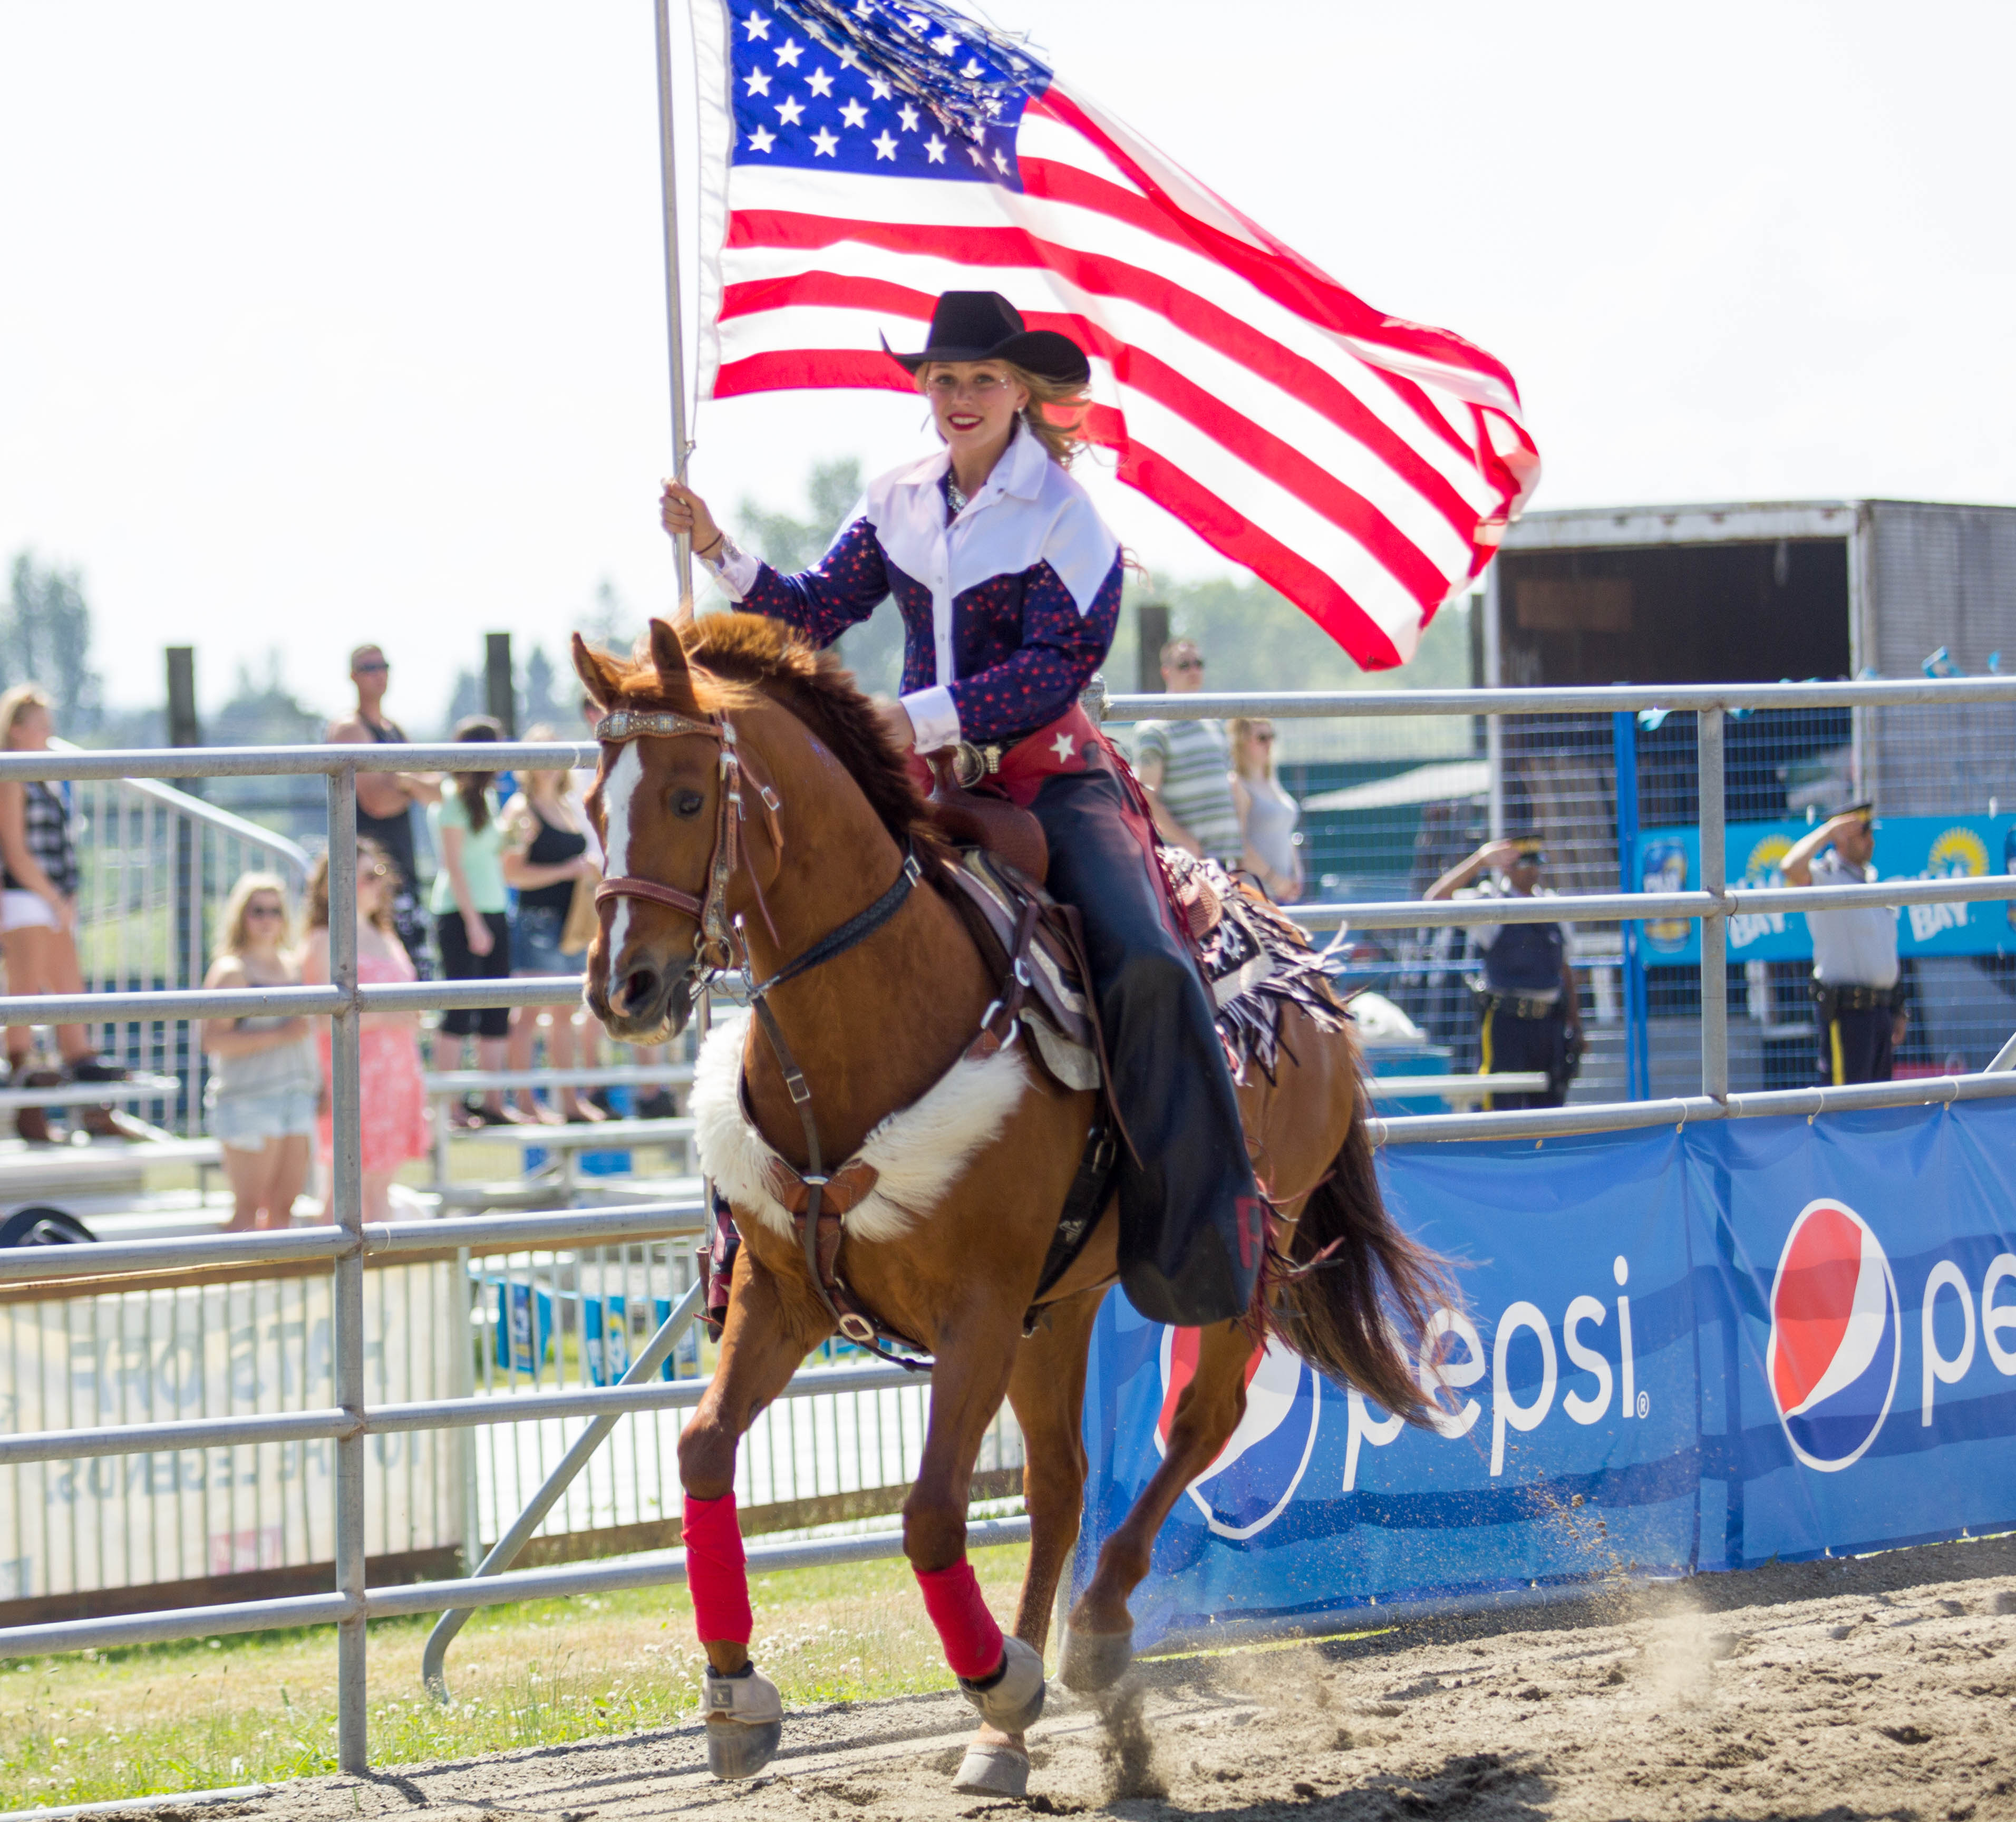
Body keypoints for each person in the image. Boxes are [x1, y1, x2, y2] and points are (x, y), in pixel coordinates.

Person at [660, 288, 1263, 1326]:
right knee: (782, 932)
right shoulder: (895, 495)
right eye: (943, 379)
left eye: (982, 378)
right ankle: (746, 1240)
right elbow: (811, 610)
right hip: (923, 783)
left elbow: (1052, 669)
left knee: (1148, 961)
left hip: (1045, 778)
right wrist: (717, 546)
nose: (961, 395)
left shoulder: (1070, 521)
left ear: (1023, 393)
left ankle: (1197, 1224)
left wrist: (917, 718)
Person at [0, 683, 128, 1141]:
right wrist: (54, 897)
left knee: (69, 997)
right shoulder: (12, 775)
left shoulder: (45, 776)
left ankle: (93, 1107)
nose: (49, 733)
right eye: (40, 725)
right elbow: (15, 850)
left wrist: (62, 897)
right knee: (28, 996)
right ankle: (28, 1106)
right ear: (16, 729)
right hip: (24, 898)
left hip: (49, 898)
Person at [301, 840, 429, 1223]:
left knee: (378, 1190)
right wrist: (389, 1016)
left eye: (379, 875)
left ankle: (374, 1280)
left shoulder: (386, 935)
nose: (379, 884)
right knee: (346, 1193)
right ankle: (333, 1279)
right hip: (353, 1075)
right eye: (367, 876)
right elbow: (320, 1020)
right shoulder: (324, 940)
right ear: (334, 885)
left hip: (396, 1073)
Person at [1426, 836, 1582, 1109]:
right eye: (1525, 864)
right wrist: (1480, 861)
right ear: (1507, 868)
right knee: (1501, 1111)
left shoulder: (1553, 906)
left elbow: (1565, 969)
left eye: (1536, 864)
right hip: (1508, 1026)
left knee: (1551, 1116)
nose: (1534, 870)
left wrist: (1576, 1026)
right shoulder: (1492, 904)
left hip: (1549, 1026)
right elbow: (1435, 900)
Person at [201, 873, 317, 1230]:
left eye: (275, 911)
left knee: (285, 1209)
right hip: (248, 1099)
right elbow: (212, 1041)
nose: (268, 919)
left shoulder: (294, 965)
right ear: (242, 916)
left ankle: (278, 1286)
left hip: (296, 1095)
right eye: (258, 911)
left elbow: (305, 1036)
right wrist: (280, 1034)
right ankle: (234, 1285)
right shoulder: (231, 970)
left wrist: (319, 1083)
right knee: (249, 1210)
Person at [500, 726, 602, 1122]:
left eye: (553, 756)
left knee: (565, 1014)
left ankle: (568, 1100)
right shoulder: (520, 811)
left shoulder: (568, 808)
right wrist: (567, 870)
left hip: (572, 924)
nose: (547, 767)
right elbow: (514, 874)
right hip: (538, 922)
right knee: (528, 1015)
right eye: (539, 757)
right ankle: (526, 1101)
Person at [325, 644, 439, 971]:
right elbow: (377, 802)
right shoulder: (349, 728)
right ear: (353, 676)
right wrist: (408, 783)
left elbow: (437, 790)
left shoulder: (394, 730)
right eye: (369, 667)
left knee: (414, 976)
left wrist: (400, 781)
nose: (378, 673)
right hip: (365, 876)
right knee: (374, 980)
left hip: (402, 869)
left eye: (383, 665)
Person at [1782, 801, 1904, 1085]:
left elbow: (1885, 952)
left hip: (1881, 1012)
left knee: (1879, 1108)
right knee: (1845, 1109)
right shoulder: (1825, 876)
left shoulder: (1872, 881)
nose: (1871, 841)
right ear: (1842, 838)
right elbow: (1790, 867)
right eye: (1863, 833)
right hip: (1848, 1014)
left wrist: (1898, 1008)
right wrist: (1827, 832)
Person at [429, 716, 513, 1125]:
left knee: (498, 1009)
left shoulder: (490, 799)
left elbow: (491, 854)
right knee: (459, 1011)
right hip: (459, 913)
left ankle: (493, 1102)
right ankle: (450, 1106)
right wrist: (473, 922)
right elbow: (454, 867)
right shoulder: (451, 799)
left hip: (495, 908)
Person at [1131, 639, 1243, 866]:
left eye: (1198, 663)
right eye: (1184, 665)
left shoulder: (1214, 724)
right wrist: (1186, 843)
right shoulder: (1154, 728)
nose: (1193, 670)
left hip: (1225, 863)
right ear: (1166, 672)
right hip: (1187, 866)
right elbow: (1145, 795)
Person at [1229, 716, 1303, 903]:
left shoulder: (1272, 780)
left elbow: (1287, 832)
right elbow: (1239, 845)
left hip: (1285, 895)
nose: (1269, 743)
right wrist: (1276, 880)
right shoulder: (1237, 784)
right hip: (1254, 896)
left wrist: (1297, 874)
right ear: (1241, 742)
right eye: (1262, 738)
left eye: (1272, 736)